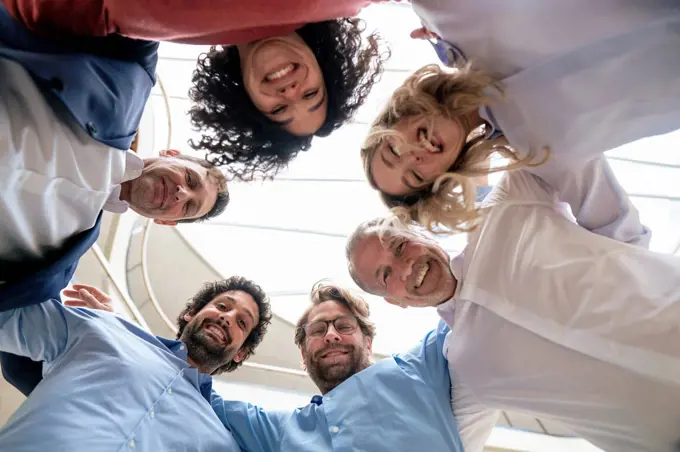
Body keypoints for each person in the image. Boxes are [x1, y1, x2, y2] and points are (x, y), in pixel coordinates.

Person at [345, 157, 680, 451]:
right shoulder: (465, 365)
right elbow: (454, 443)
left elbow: (564, 149)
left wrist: (629, 247)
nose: (406, 267)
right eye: (387, 274)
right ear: (394, 301)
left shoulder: (507, 206)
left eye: (401, 246)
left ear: (423, 235)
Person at [19, 281, 467, 451]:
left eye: (342, 326)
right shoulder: (256, 430)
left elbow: (466, 305)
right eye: (317, 330)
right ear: (304, 355)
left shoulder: (418, 369)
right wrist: (118, 327)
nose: (330, 335)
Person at [363, 0, 680, 230]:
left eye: (393, 150)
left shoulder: (450, 24)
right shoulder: (540, 153)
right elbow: (616, 227)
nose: (414, 158)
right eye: (416, 177)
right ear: (442, 178)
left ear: (399, 116)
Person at [3, 0, 391, 179]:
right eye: (311, 95)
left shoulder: (176, 36)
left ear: (249, 100)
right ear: (325, 68)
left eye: (278, 110)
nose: (290, 92)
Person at [0, 3, 225, 312]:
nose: (180, 192)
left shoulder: (53, 272)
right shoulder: (129, 80)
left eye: (187, 206)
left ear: (165, 220)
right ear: (171, 153)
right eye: (190, 179)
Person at [0, 277, 272, 451]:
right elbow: (9, 315)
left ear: (240, 353)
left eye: (242, 322)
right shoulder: (105, 329)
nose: (227, 318)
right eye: (223, 306)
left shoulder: (222, 440)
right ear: (190, 314)